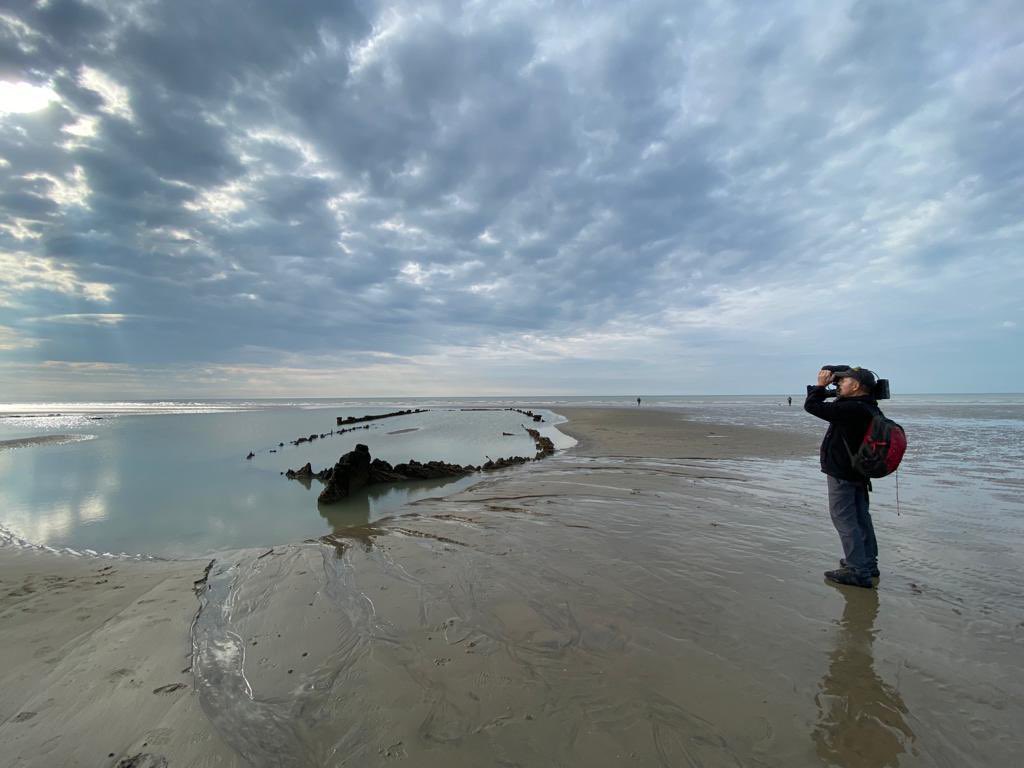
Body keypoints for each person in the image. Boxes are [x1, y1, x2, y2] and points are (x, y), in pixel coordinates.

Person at [804, 367, 881, 588]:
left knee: (845, 518)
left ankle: (857, 570)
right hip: (857, 471)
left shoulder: (851, 408)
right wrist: (833, 381)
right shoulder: (866, 405)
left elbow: (812, 406)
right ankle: (867, 563)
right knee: (860, 517)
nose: (838, 385)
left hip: (842, 472)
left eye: (843, 381)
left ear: (856, 386)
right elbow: (829, 402)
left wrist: (820, 385)